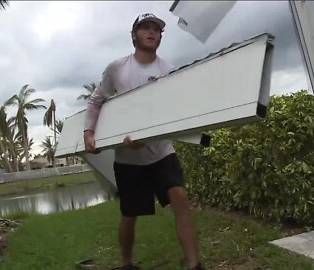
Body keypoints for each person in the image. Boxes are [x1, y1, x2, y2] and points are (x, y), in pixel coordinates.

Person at [83, 13, 205, 270]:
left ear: (160, 36)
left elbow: (173, 108)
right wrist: (89, 133)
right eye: (145, 28)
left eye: (156, 29)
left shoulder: (167, 70)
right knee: (129, 214)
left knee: (180, 199)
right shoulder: (117, 68)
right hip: (128, 159)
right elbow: (96, 101)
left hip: (162, 152)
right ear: (134, 35)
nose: (151, 32)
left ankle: (194, 264)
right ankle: (127, 264)